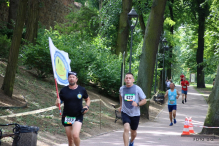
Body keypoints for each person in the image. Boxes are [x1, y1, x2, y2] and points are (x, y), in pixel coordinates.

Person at [55, 71, 90, 146]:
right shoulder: (63, 90)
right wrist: (57, 102)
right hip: (67, 116)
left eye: (73, 77)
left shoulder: (82, 89)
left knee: (75, 136)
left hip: (78, 115)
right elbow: (58, 104)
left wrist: (86, 106)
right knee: (70, 140)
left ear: (76, 79)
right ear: (68, 79)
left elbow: (87, 99)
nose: (71, 79)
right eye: (70, 77)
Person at [118, 73, 146, 146]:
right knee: (126, 128)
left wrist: (137, 104)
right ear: (124, 80)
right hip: (125, 112)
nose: (128, 79)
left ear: (133, 80)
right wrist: (121, 106)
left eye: (130, 78)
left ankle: (132, 141)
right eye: (126, 78)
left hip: (135, 113)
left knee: (133, 133)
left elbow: (144, 100)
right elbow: (121, 96)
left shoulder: (137, 88)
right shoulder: (122, 89)